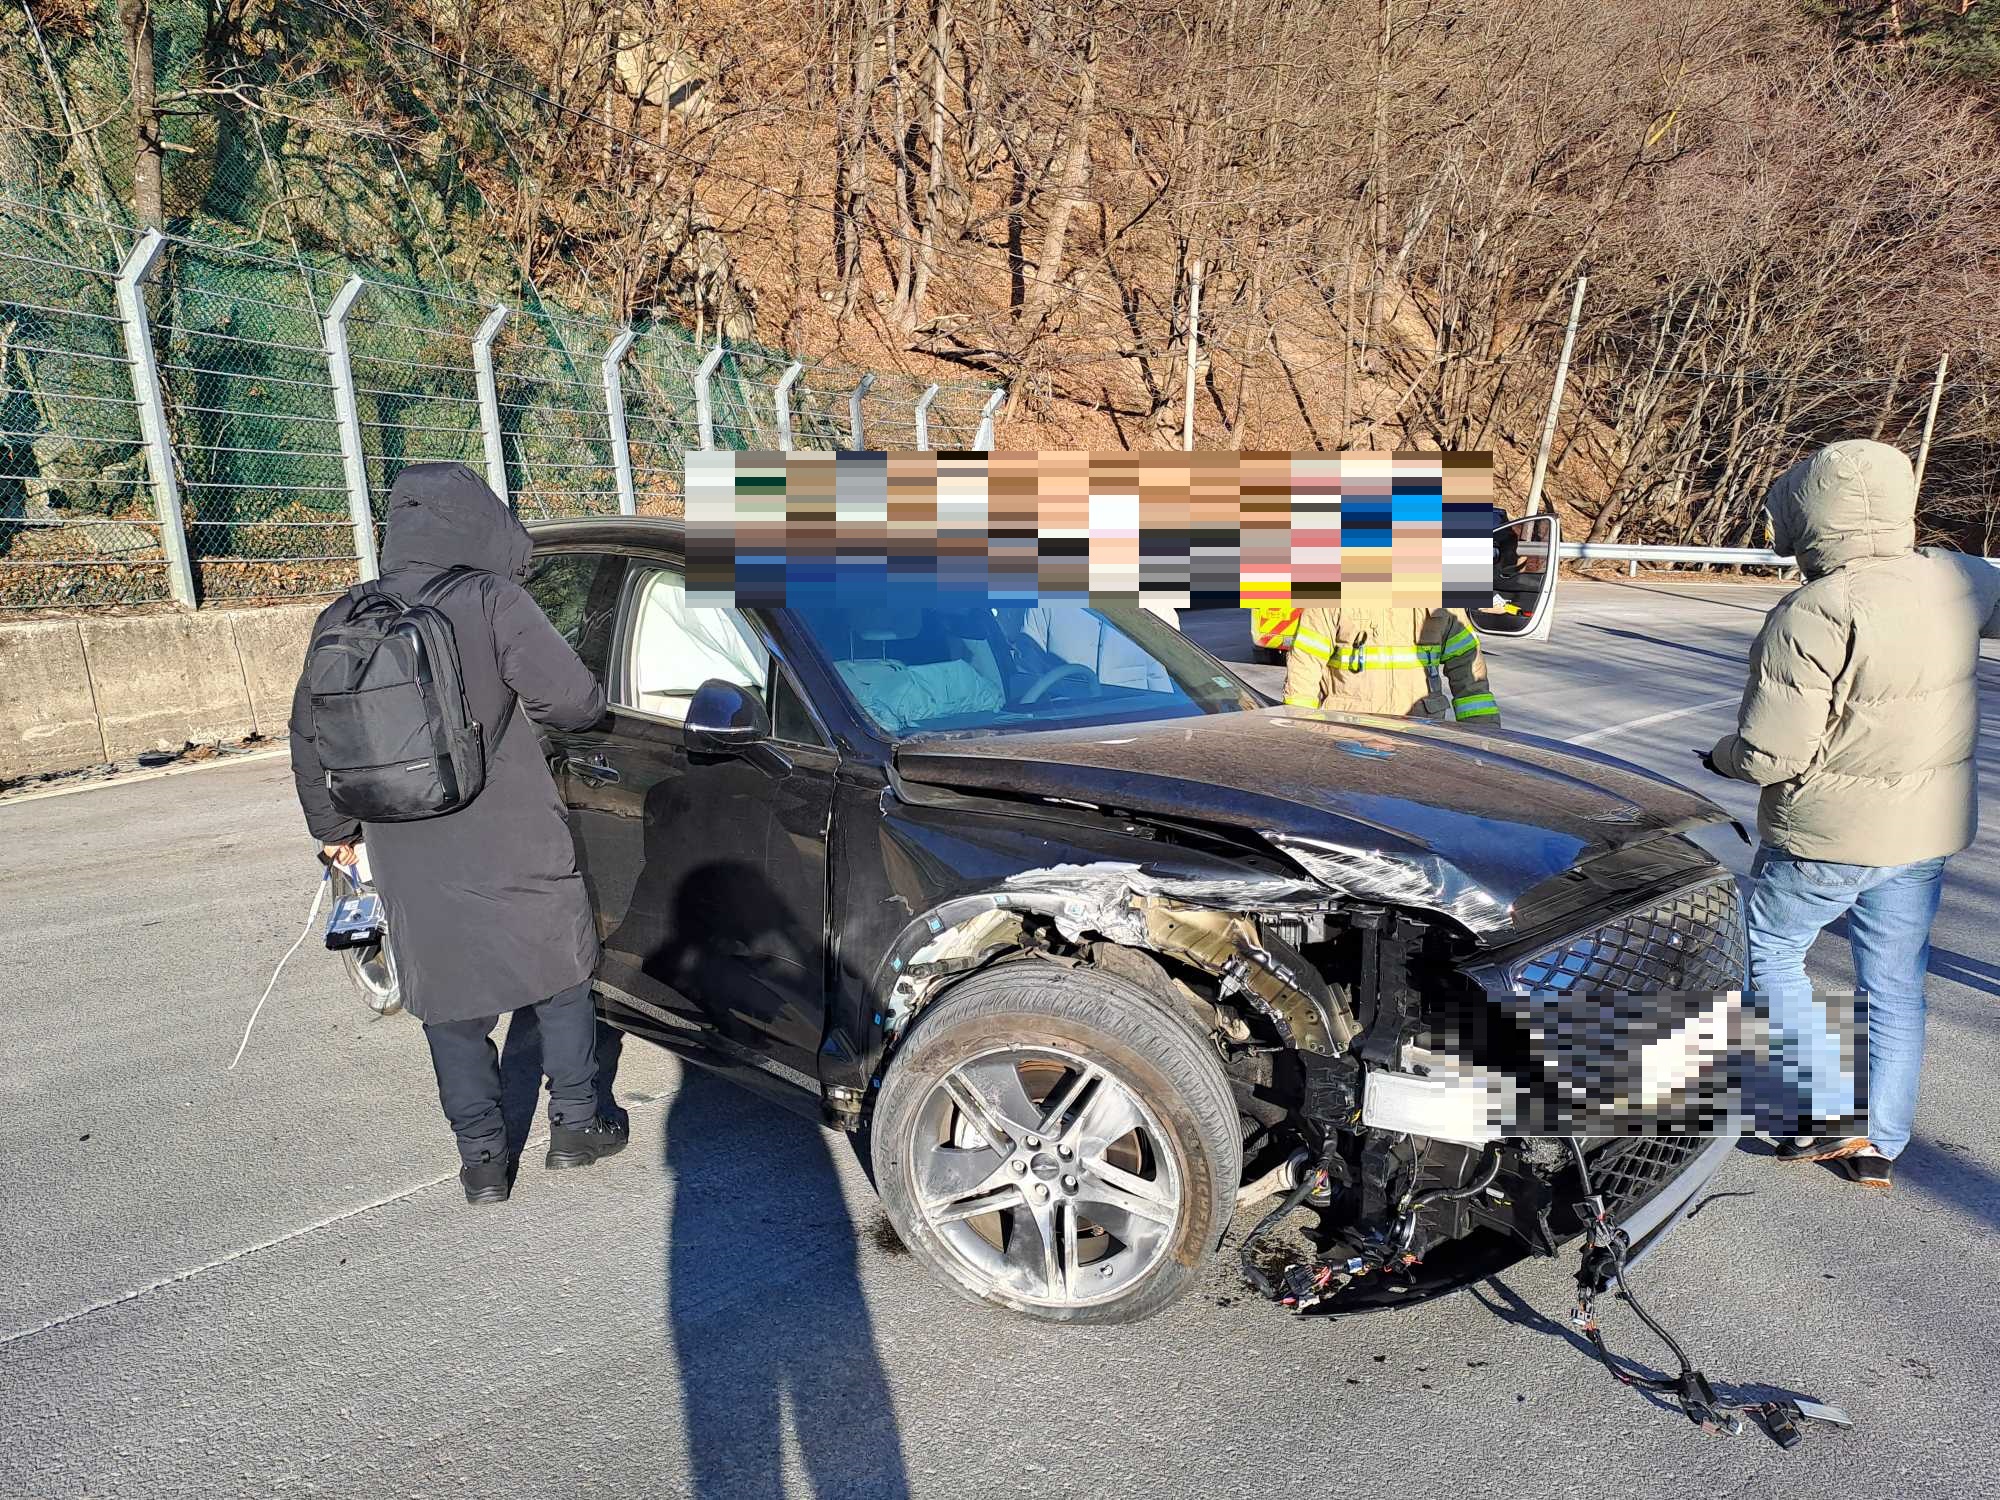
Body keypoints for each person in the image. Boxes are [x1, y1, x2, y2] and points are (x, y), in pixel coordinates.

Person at [288, 462, 621, 1206]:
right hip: (511, 827)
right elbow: (573, 703)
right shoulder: (490, 599)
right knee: (559, 970)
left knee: (447, 1002)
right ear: (477, 522)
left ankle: (481, 1163)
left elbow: (309, 735)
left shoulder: (344, 615)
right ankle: (576, 1124)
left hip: (405, 845)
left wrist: (334, 830)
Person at [1702, 439, 2000, 1190]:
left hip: (1830, 835)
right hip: (1924, 832)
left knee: (1766, 950)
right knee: (1893, 984)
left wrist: (1722, 758)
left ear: (1810, 514)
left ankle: (1826, 1109)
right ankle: (1878, 1141)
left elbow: (1774, 754)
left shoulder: (1817, 610)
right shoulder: (1958, 577)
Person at [1281, 599, 1499, 727]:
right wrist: (1299, 731)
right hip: (1348, 734)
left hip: (1419, 737)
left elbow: (1471, 680)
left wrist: (1484, 739)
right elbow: (1304, 668)